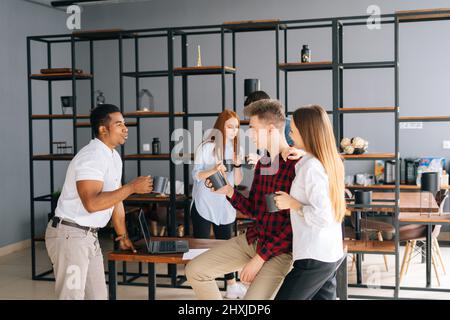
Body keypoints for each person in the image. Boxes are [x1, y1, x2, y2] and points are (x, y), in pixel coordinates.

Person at [185, 99, 297, 300]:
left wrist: (259, 259)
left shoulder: (294, 164)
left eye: (253, 129)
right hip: (253, 239)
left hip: (278, 251)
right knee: (195, 270)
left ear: (270, 129)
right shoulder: (263, 164)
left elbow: (293, 226)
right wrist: (228, 191)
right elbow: (254, 209)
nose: (249, 135)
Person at [45, 104, 153, 300]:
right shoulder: (91, 156)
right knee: (71, 297)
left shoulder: (113, 156)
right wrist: (131, 188)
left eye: (125, 124)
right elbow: (92, 204)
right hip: (71, 237)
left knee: (98, 296)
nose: (125, 128)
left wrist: (122, 236)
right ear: (103, 129)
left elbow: (116, 199)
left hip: (88, 237)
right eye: (119, 124)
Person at [273, 105, 346, 300]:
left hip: (315, 256)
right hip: (328, 251)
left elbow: (323, 216)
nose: (289, 133)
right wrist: (304, 154)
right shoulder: (327, 160)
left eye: (293, 129)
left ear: (307, 132)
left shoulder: (313, 167)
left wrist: (292, 203)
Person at [190, 109, 247, 299]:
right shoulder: (207, 147)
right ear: (220, 126)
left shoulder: (236, 149)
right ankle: (204, 288)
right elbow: (195, 175)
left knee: (226, 247)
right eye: (230, 126)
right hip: (204, 204)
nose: (234, 131)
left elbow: (237, 182)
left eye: (237, 127)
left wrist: (238, 166)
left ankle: (231, 286)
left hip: (224, 205)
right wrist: (213, 169)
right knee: (201, 248)